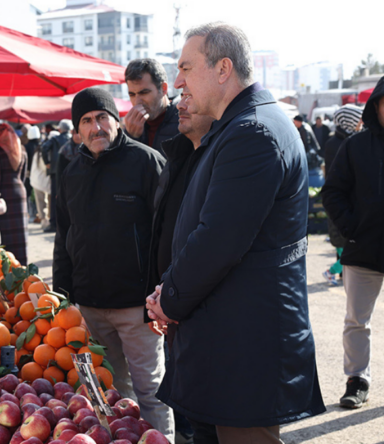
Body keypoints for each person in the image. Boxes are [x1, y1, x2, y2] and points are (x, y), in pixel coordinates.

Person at [146, 23, 325, 443]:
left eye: (186, 67)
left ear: (223, 68)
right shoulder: (236, 127)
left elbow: (217, 241)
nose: (177, 82)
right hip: (225, 341)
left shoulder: (253, 132)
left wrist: (168, 299)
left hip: (245, 349)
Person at [53, 87, 172, 442]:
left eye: (102, 117)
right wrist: (63, 294)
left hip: (139, 306)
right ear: (77, 131)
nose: (96, 127)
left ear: (116, 120)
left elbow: (168, 233)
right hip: (90, 306)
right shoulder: (71, 171)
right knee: (111, 393)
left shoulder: (146, 162)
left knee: (151, 391)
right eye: (86, 121)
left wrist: (160, 291)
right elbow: (64, 235)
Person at [146, 97, 216, 444]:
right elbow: (161, 230)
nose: (181, 107)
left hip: (196, 302)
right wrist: (159, 292)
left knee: (209, 414)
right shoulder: (176, 154)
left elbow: (212, 243)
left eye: (190, 100)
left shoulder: (218, 156)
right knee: (192, 403)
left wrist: (169, 295)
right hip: (173, 298)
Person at [322, 75, 384, 410]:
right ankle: (356, 380)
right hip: (363, 249)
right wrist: (352, 228)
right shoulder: (356, 146)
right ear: (377, 106)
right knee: (357, 321)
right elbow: (332, 192)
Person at [321, 104, 364, 286]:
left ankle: (339, 274)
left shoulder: (339, 141)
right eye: (358, 120)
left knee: (344, 245)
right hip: (343, 201)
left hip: (345, 200)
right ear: (351, 121)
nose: (361, 123)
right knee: (350, 247)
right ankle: (333, 272)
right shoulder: (342, 143)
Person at [0, 123, 28, 265]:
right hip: (20, 192)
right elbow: (23, 175)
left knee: (6, 236)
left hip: (4, 194)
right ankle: (21, 268)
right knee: (20, 236)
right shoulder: (21, 148)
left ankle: (7, 269)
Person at [124, 58, 180, 157]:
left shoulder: (184, 120)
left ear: (163, 89)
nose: (137, 102)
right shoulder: (131, 127)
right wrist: (130, 138)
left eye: (144, 93)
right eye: (132, 95)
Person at [40, 120, 71, 233]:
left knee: (55, 198)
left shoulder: (55, 139)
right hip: (70, 172)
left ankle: (54, 224)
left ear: (60, 129)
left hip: (55, 172)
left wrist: (47, 162)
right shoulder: (72, 138)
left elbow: (44, 147)